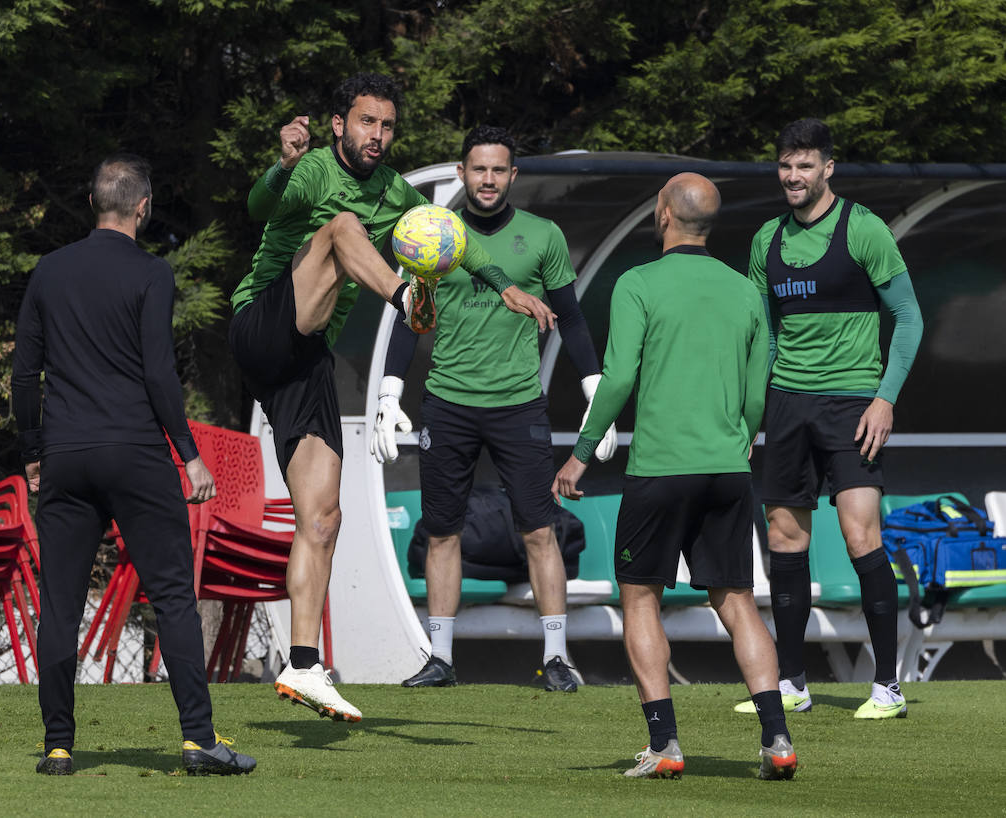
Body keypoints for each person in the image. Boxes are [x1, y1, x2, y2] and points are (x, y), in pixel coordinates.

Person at [233, 73, 554, 722]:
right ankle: (404, 295)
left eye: (385, 125)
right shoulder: (315, 169)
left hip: (302, 359)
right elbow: (260, 210)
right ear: (337, 124)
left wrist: (502, 286)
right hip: (259, 324)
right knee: (342, 228)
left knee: (323, 518)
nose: (376, 135)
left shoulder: (396, 191)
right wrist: (280, 165)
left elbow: (451, 235)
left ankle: (303, 666)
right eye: (364, 122)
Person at [12, 154, 255, 776]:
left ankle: (59, 745)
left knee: (60, 603)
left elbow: (23, 376)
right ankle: (199, 739)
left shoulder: (48, 271)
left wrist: (33, 453)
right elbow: (156, 373)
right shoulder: (152, 274)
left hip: (66, 454)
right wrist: (190, 454)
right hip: (137, 455)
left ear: (94, 202)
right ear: (143, 207)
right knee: (173, 596)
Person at [553, 173, 797, 780]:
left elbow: (618, 380)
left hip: (660, 469)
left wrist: (582, 452)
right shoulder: (745, 292)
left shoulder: (637, 284)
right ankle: (777, 740)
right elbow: (755, 389)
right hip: (726, 468)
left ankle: (664, 744)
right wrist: (741, 442)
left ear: (663, 214)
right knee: (737, 600)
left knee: (640, 597)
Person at [372, 125, 617, 691]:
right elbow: (413, 317)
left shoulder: (543, 235)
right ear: (461, 174)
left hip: (518, 405)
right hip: (448, 404)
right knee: (441, 531)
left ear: (513, 175)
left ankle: (557, 658)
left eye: (497, 169)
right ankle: (440, 658)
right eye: (477, 169)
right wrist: (389, 392)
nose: (487, 179)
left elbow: (572, 319)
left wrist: (592, 388)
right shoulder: (432, 236)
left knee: (539, 529)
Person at [740, 118, 923, 720]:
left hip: (852, 407)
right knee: (784, 540)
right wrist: (752, 412)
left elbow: (910, 319)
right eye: (785, 166)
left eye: (804, 165)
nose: (793, 176)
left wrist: (884, 398)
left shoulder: (864, 230)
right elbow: (763, 336)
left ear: (827, 169)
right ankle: (792, 683)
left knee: (859, 535)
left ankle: (888, 687)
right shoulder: (766, 240)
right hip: (789, 406)